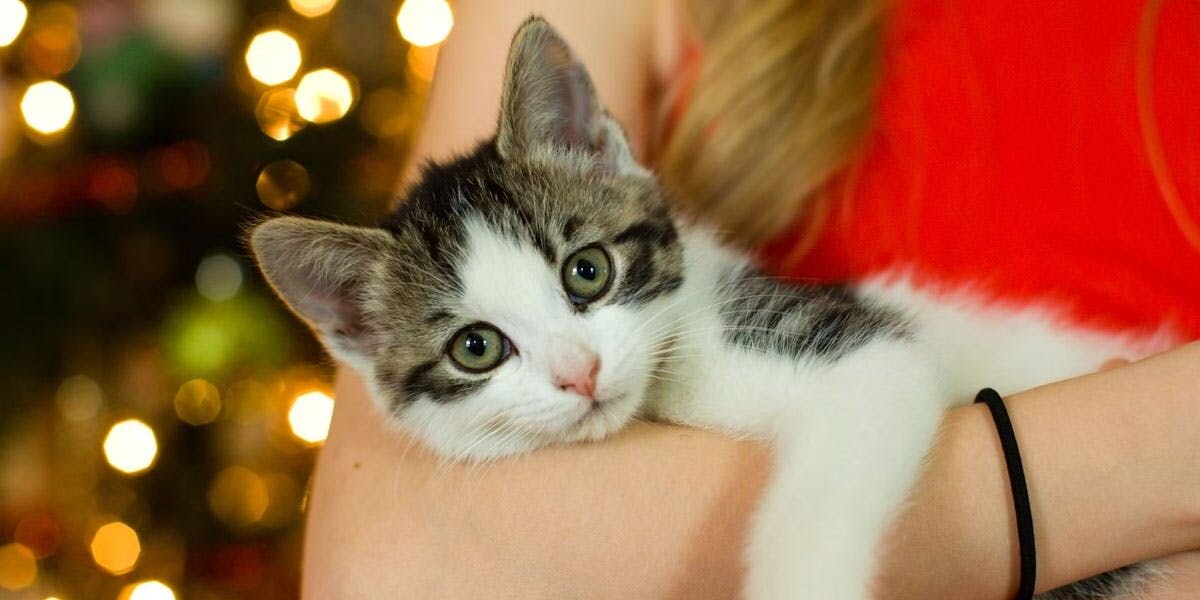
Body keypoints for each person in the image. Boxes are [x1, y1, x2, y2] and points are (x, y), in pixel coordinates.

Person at [301, 1, 1200, 597]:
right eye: (479, 350)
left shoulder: (703, 333)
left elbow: (875, 374)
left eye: (586, 278)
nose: (576, 372)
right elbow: (389, 562)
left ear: (600, 151)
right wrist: (1149, 457)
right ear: (358, 330)